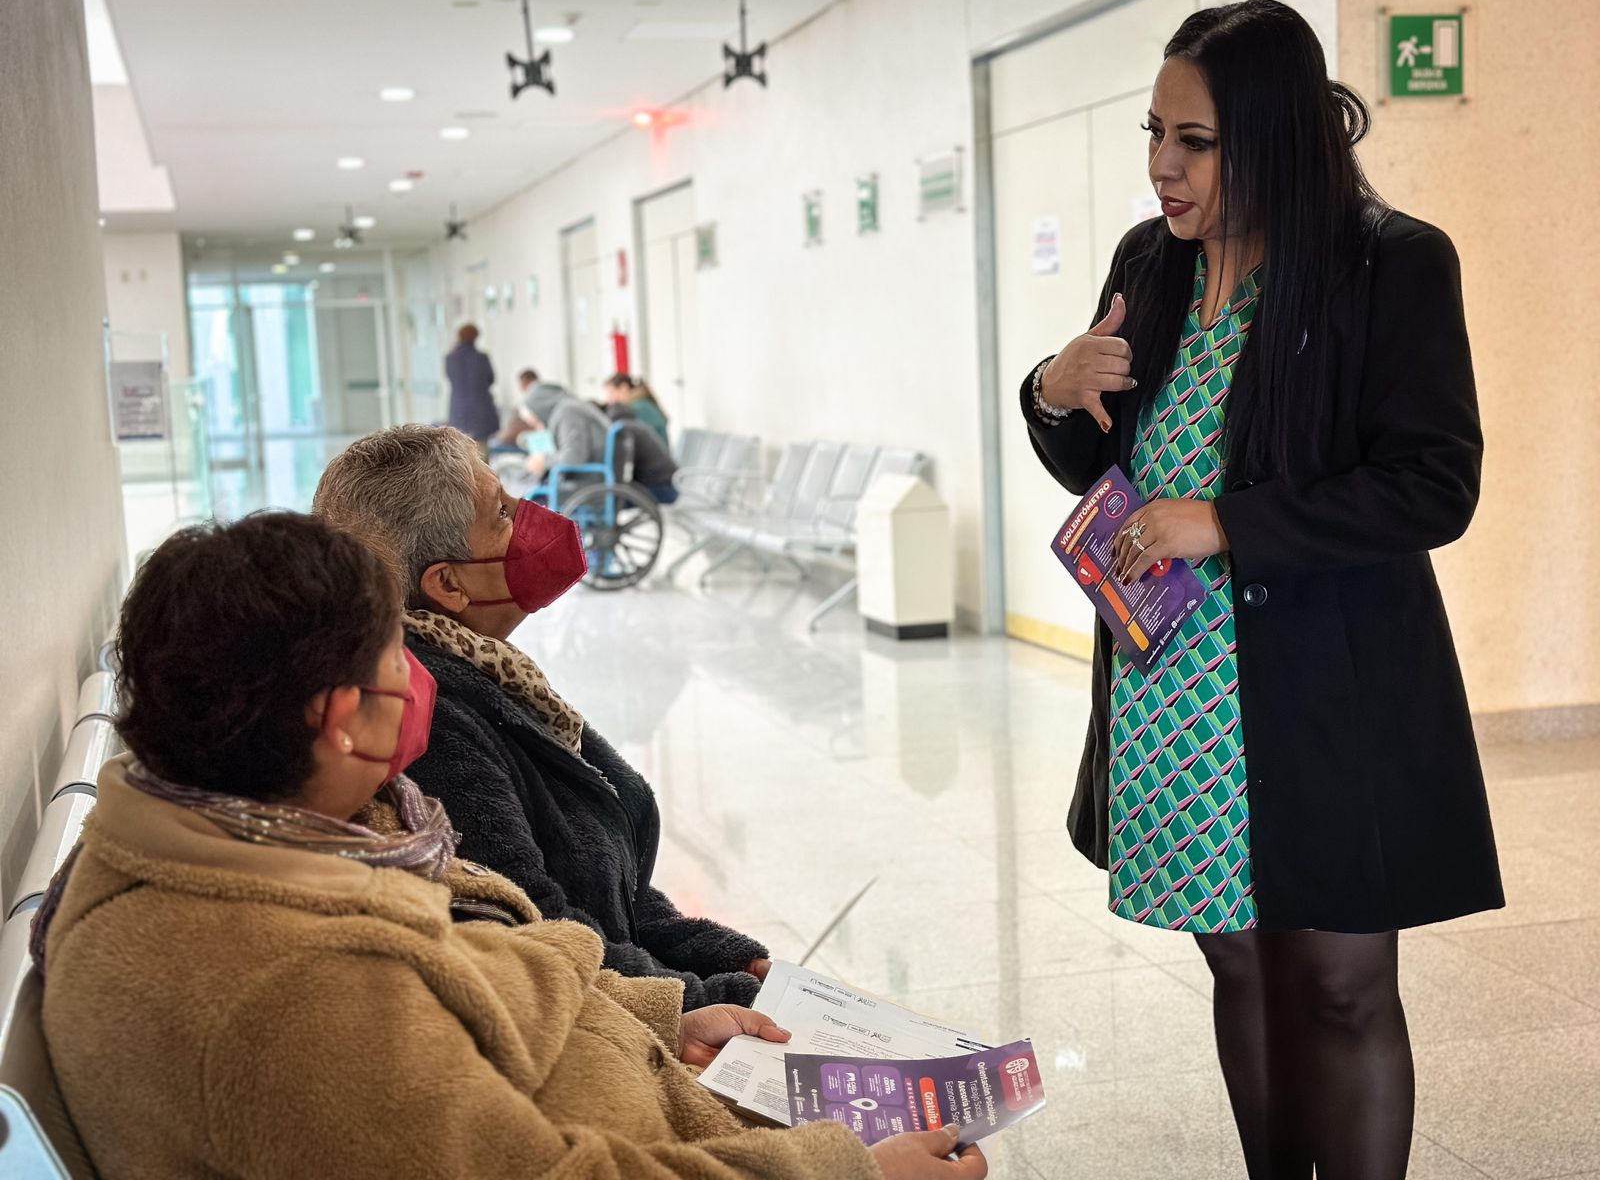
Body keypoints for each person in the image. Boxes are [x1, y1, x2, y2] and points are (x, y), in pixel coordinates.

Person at [34, 512, 984, 1180]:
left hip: (647, 1080)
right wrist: (850, 1172)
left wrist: (661, 1018)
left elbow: (470, 967)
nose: (417, 674)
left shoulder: (260, 829)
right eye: (394, 655)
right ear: (341, 720)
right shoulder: (290, 999)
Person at [1020, 0, 1500, 1180]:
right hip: (1173, 684)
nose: (1161, 166)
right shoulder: (1151, 262)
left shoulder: (1389, 264)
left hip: (1322, 689)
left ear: (1277, 136)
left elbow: (1432, 486)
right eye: (1154, 133)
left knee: (1337, 981)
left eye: (1194, 141)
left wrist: (1226, 522)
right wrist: (1049, 391)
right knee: (1238, 960)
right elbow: (1100, 463)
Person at [313, 426, 761, 1008]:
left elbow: (605, 886)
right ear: (447, 583)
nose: (531, 517)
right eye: (501, 513)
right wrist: (706, 1000)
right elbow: (540, 930)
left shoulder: (485, 668)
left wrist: (726, 957)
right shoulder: (431, 719)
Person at [605, 399, 680, 504]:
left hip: (662, 490)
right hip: (670, 484)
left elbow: (623, 467)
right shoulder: (637, 426)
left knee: (612, 500)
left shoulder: (622, 429)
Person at [444, 323, 497, 458]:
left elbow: (451, 378)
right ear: (476, 337)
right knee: (482, 453)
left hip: (459, 410)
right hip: (481, 409)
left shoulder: (450, 358)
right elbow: (491, 379)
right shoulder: (482, 358)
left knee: (462, 451)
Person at [602, 372, 671, 446]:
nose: (609, 399)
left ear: (624, 388)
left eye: (611, 392)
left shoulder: (639, 408)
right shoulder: (642, 404)